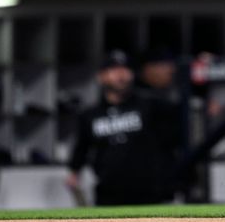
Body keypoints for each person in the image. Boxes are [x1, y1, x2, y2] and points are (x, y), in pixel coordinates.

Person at [66, 50, 181, 206]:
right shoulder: (90, 115)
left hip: (150, 193)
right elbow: (81, 147)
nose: (121, 75)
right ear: (101, 76)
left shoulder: (150, 104)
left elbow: (177, 133)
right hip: (108, 193)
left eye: (125, 69)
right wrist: (74, 172)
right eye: (114, 70)